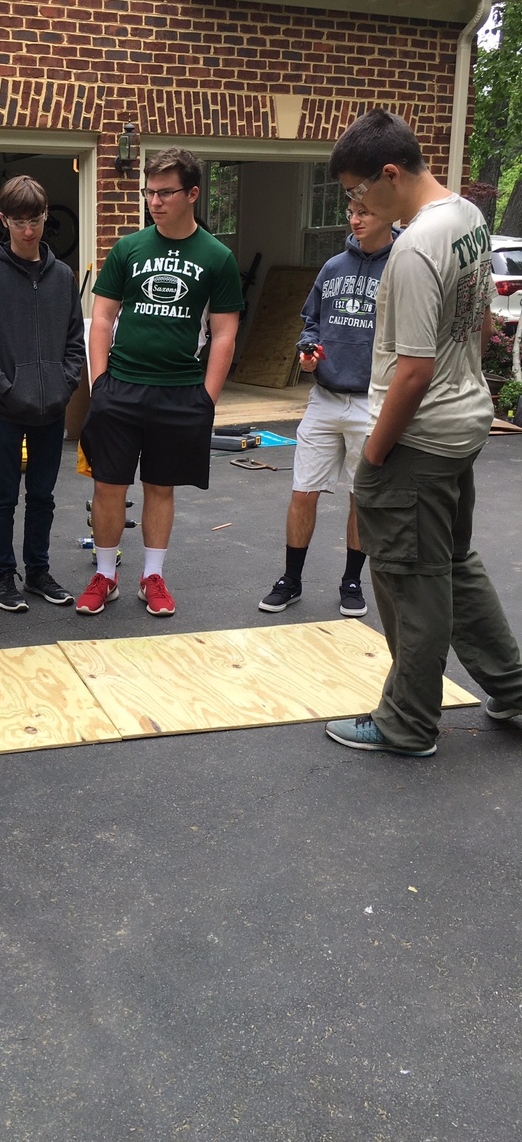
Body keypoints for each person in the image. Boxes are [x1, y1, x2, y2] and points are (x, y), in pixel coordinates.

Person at [323, 108, 522, 755]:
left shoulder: (412, 251)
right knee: (453, 566)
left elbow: (412, 372)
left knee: (411, 580)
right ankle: (515, 691)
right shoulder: (466, 217)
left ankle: (408, 722)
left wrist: (374, 454)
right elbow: (473, 326)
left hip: (417, 439)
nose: (357, 203)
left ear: (389, 173)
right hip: (461, 420)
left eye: (358, 191)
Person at [76, 147, 243, 616]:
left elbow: (225, 332)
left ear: (192, 193)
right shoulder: (128, 248)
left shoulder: (218, 257)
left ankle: (153, 576)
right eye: (149, 191)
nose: (155, 200)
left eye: (165, 192)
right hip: (121, 388)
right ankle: (105, 575)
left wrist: (206, 399)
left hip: (179, 392)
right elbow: (102, 317)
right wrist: (99, 383)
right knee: (108, 485)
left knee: (160, 486)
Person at [259, 203, 397, 618]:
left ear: (388, 214)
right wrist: (308, 352)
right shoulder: (333, 267)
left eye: (366, 212)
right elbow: (311, 323)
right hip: (324, 398)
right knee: (303, 491)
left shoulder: (402, 268)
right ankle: (291, 580)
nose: (355, 219)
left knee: (362, 497)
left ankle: (352, 582)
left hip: (373, 402)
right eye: (352, 211)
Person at [0, 175, 85, 611]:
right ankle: (1, 577)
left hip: (51, 409)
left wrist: (65, 384)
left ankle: (37, 571)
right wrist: (6, 389)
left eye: (34, 220)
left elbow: (75, 341)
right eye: (18, 222)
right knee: (3, 496)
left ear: (46, 216)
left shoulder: (63, 276)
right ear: (3, 221)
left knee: (43, 496)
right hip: (5, 410)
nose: (28, 231)